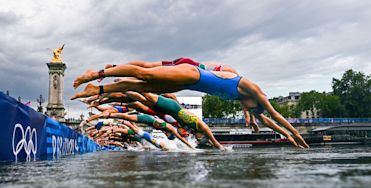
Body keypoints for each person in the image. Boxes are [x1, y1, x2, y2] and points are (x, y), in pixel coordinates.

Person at [72, 61, 309, 148]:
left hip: (191, 82)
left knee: (144, 86)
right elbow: (276, 116)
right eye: (254, 113)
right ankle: (96, 75)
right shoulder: (253, 90)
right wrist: (296, 134)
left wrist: (288, 138)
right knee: (145, 75)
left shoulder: (248, 103)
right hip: (193, 75)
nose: (256, 115)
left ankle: (99, 89)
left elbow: (268, 122)